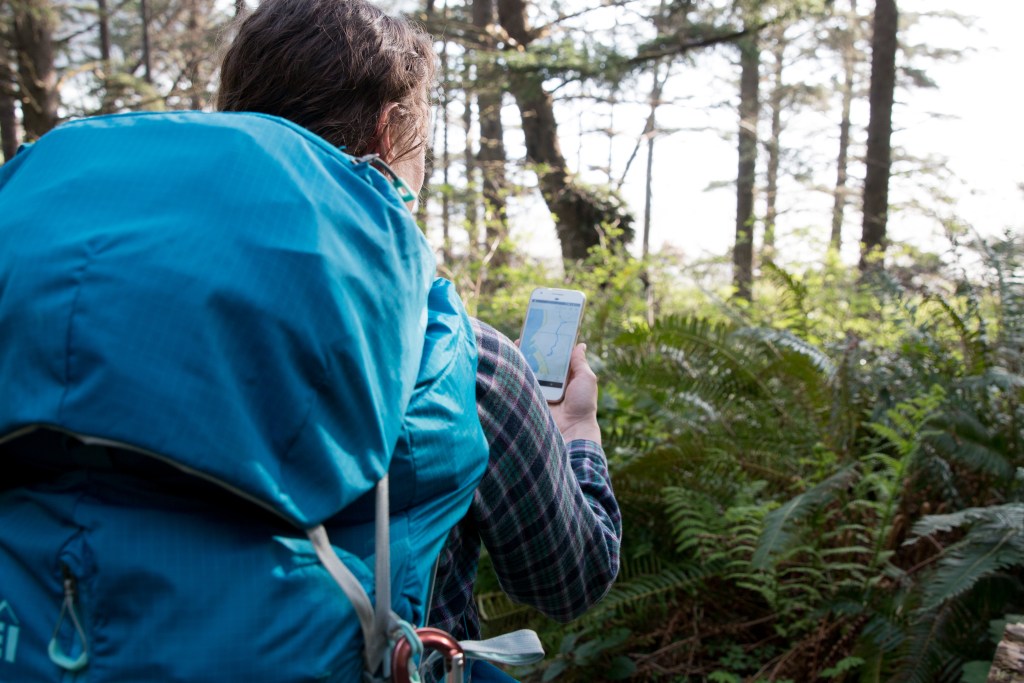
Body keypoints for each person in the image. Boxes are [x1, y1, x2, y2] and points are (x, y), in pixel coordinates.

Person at [218, 0, 622, 674]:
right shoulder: (463, 361)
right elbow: (569, 578)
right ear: (388, 134)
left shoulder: (85, 324)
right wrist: (576, 429)